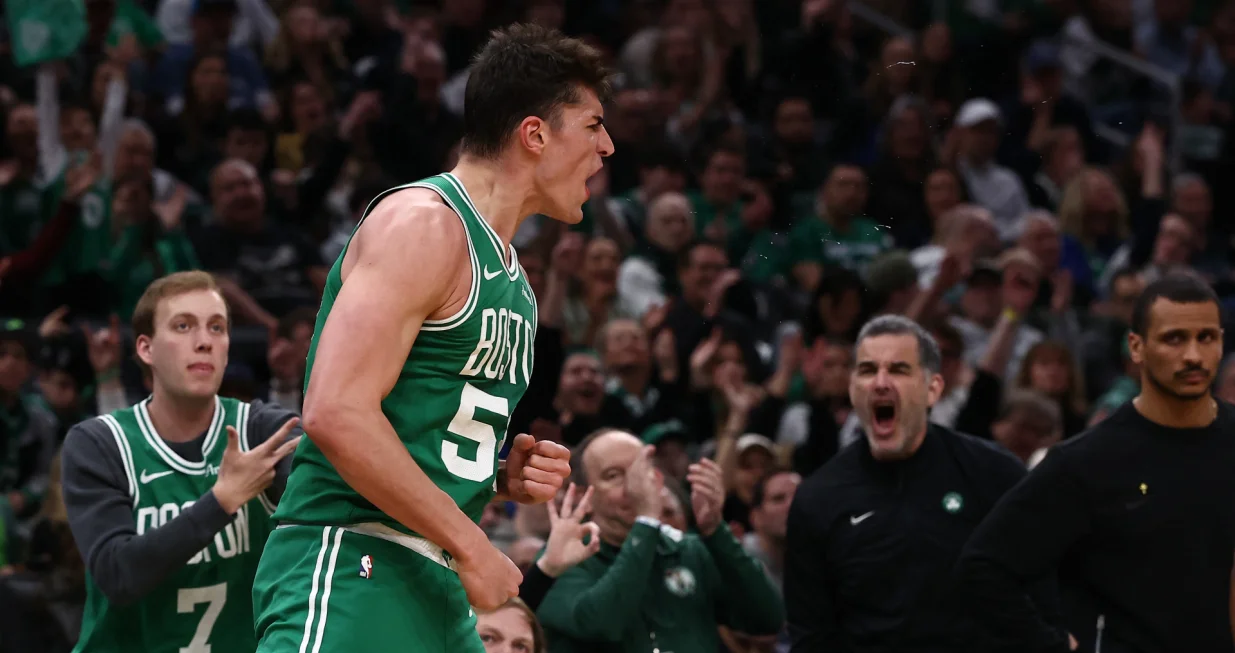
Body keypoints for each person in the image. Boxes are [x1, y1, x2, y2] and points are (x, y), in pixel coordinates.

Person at [252, 24, 611, 653]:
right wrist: (476, 543)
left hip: (434, 577)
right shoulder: (422, 225)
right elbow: (336, 413)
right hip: (353, 560)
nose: (606, 146)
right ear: (535, 134)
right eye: (592, 126)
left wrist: (493, 476)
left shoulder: (514, 279)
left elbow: (411, 427)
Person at [957, 273, 1235, 653]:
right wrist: (1051, 645)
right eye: (1174, 338)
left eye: (1206, 338)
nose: (1193, 355)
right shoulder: (1088, 461)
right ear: (1136, 347)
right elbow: (983, 568)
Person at [61, 271, 303, 653]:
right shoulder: (99, 443)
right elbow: (118, 574)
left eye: (217, 328)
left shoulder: (262, 429)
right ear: (146, 349)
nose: (204, 341)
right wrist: (222, 501)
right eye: (183, 326)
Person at [784, 315, 1043, 652]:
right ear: (852, 390)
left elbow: (1040, 591)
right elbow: (812, 636)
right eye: (866, 370)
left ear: (932, 389)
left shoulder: (994, 475)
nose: (880, 382)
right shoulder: (817, 498)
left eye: (898, 370)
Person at [536, 429, 785, 653]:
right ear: (583, 495)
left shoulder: (688, 550)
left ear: (655, 478)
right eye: (614, 476)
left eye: (638, 472)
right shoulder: (559, 559)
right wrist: (646, 523)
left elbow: (766, 618)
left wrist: (715, 531)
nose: (634, 487)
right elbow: (602, 625)